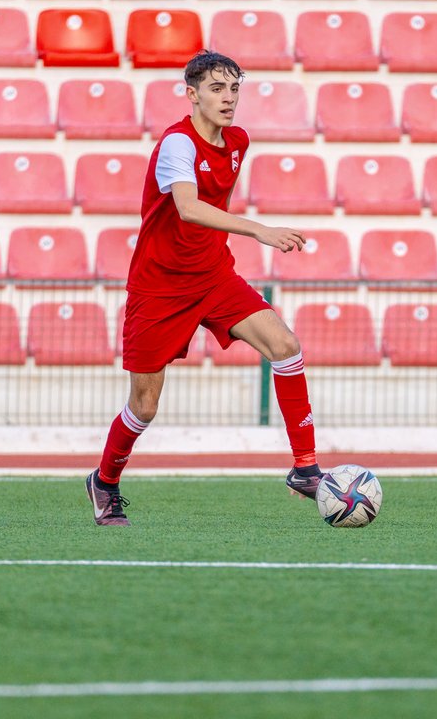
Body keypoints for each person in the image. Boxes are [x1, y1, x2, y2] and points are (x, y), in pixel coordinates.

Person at [86, 50, 323, 526]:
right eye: (217, 89)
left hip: (213, 274)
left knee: (285, 345)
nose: (229, 98)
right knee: (145, 405)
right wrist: (259, 229)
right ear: (192, 94)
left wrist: (224, 247)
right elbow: (190, 208)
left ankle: (306, 467)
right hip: (159, 287)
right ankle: (105, 480)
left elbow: (216, 203)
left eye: (235, 89)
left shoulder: (237, 140)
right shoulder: (178, 144)